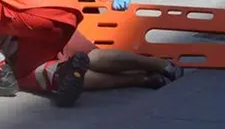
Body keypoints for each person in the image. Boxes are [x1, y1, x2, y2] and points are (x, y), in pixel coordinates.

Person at [55, 31, 184, 91]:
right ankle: (140, 78)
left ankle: (157, 64)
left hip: (47, 17)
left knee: (90, 57)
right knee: (69, 75)